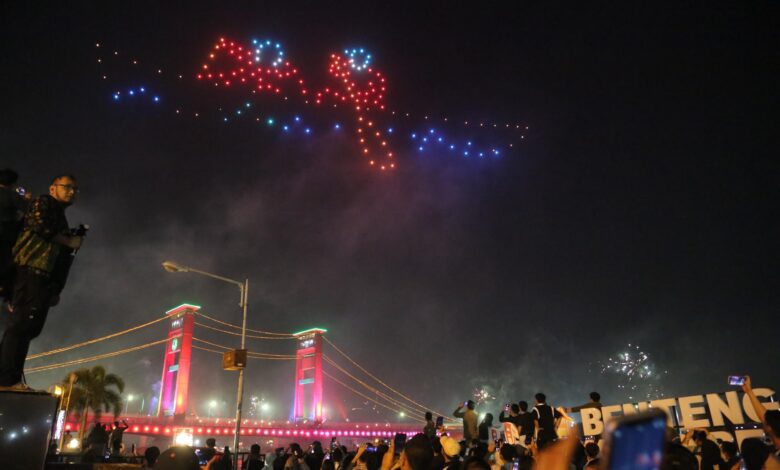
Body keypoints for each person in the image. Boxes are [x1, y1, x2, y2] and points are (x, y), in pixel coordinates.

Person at [0, 175, 84, 390]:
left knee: (29, 328)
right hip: (28, 271)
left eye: (75, 189)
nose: (72, 191)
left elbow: (61, 258)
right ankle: (6, 380)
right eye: (67, 187)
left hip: (42, 278)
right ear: (53, 188)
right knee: (20, 326)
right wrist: (68, 240)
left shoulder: (59, 215)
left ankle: (13, 379)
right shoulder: (43, 202)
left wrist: (55, 288)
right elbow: (40, 226)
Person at [0, 168, 28, 300]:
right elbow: (28, 209)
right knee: (8, 261)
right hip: (6, 233)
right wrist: (26, 199)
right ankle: (6, 291)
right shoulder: (11, 195)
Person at [742, 376, 780, 469]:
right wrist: (749, 391)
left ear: (769, 427)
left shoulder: (773, 461)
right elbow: (764, 416)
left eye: (765, 422)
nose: (762, 422)